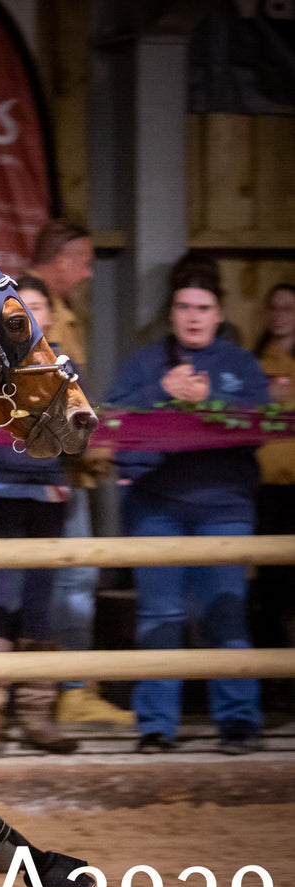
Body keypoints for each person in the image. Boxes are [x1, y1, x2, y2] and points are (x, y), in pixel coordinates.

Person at [107, 258, 268, 755]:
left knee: (226, 614)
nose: (193, 317)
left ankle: (239, 722)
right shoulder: (145, 364)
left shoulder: (241, 365)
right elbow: (110, 423)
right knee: (160, 616)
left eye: (203, 307)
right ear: (171, 311)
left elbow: (261, 425)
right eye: (184, 307)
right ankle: (156, 726)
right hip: (157, 506)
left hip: (227, 507)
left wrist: (211, 398)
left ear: (219, 313)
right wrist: (163, 393)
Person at [0, 277, 81, 759]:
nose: (32, 313)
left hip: (48, 500)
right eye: (22, 307)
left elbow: (80, 427)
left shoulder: (68, 371)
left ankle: (37, 718)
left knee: (38, 605)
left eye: (39, 305)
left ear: (50, 316)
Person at [21, 221, 129, 725]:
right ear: (60, 260)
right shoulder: (36, 314)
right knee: (68, 578)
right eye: (83, 262)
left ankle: (69, 686)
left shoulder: (63, 313)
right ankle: (71, 687)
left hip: (67, 467)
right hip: (46, 469)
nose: (87, 272)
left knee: (65, 578)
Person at [252, 283, 295, 655]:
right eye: (275, 308)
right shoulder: (253, 362)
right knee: (270, 581)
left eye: (288, 308)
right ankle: (273, 676)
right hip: (265, 489)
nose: (280, 315)